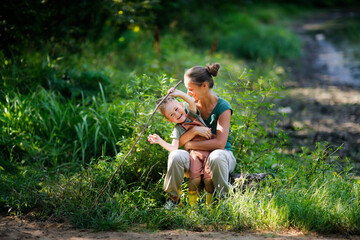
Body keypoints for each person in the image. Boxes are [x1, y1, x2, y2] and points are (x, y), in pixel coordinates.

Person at [163, 63, 237, 208]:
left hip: (222, 156)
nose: (188, 93)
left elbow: (220, 143)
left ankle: (223, 202)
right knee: (175, 156)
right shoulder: (187, 108)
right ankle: (174, 199)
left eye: (191, 89)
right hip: (195, 157)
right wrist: (194, 132)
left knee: (216, 156)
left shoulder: (223, 107)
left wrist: (191, 144)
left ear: (204, 86)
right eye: (186, 89)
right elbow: (179, 143)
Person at [148, 88, 214, 207]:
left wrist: (178, 93)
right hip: (195, 156)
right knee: (195, 179)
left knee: (209, 179)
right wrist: (159, 141)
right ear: (169, 120)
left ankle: (211, 205)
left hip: (210, 151)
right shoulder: (177, 130)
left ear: (182, 106)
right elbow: (174, 149)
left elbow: (191, 101)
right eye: (172, 115)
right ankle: (189, 205)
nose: (177, 114)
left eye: (177, 109)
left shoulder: (192, 115)